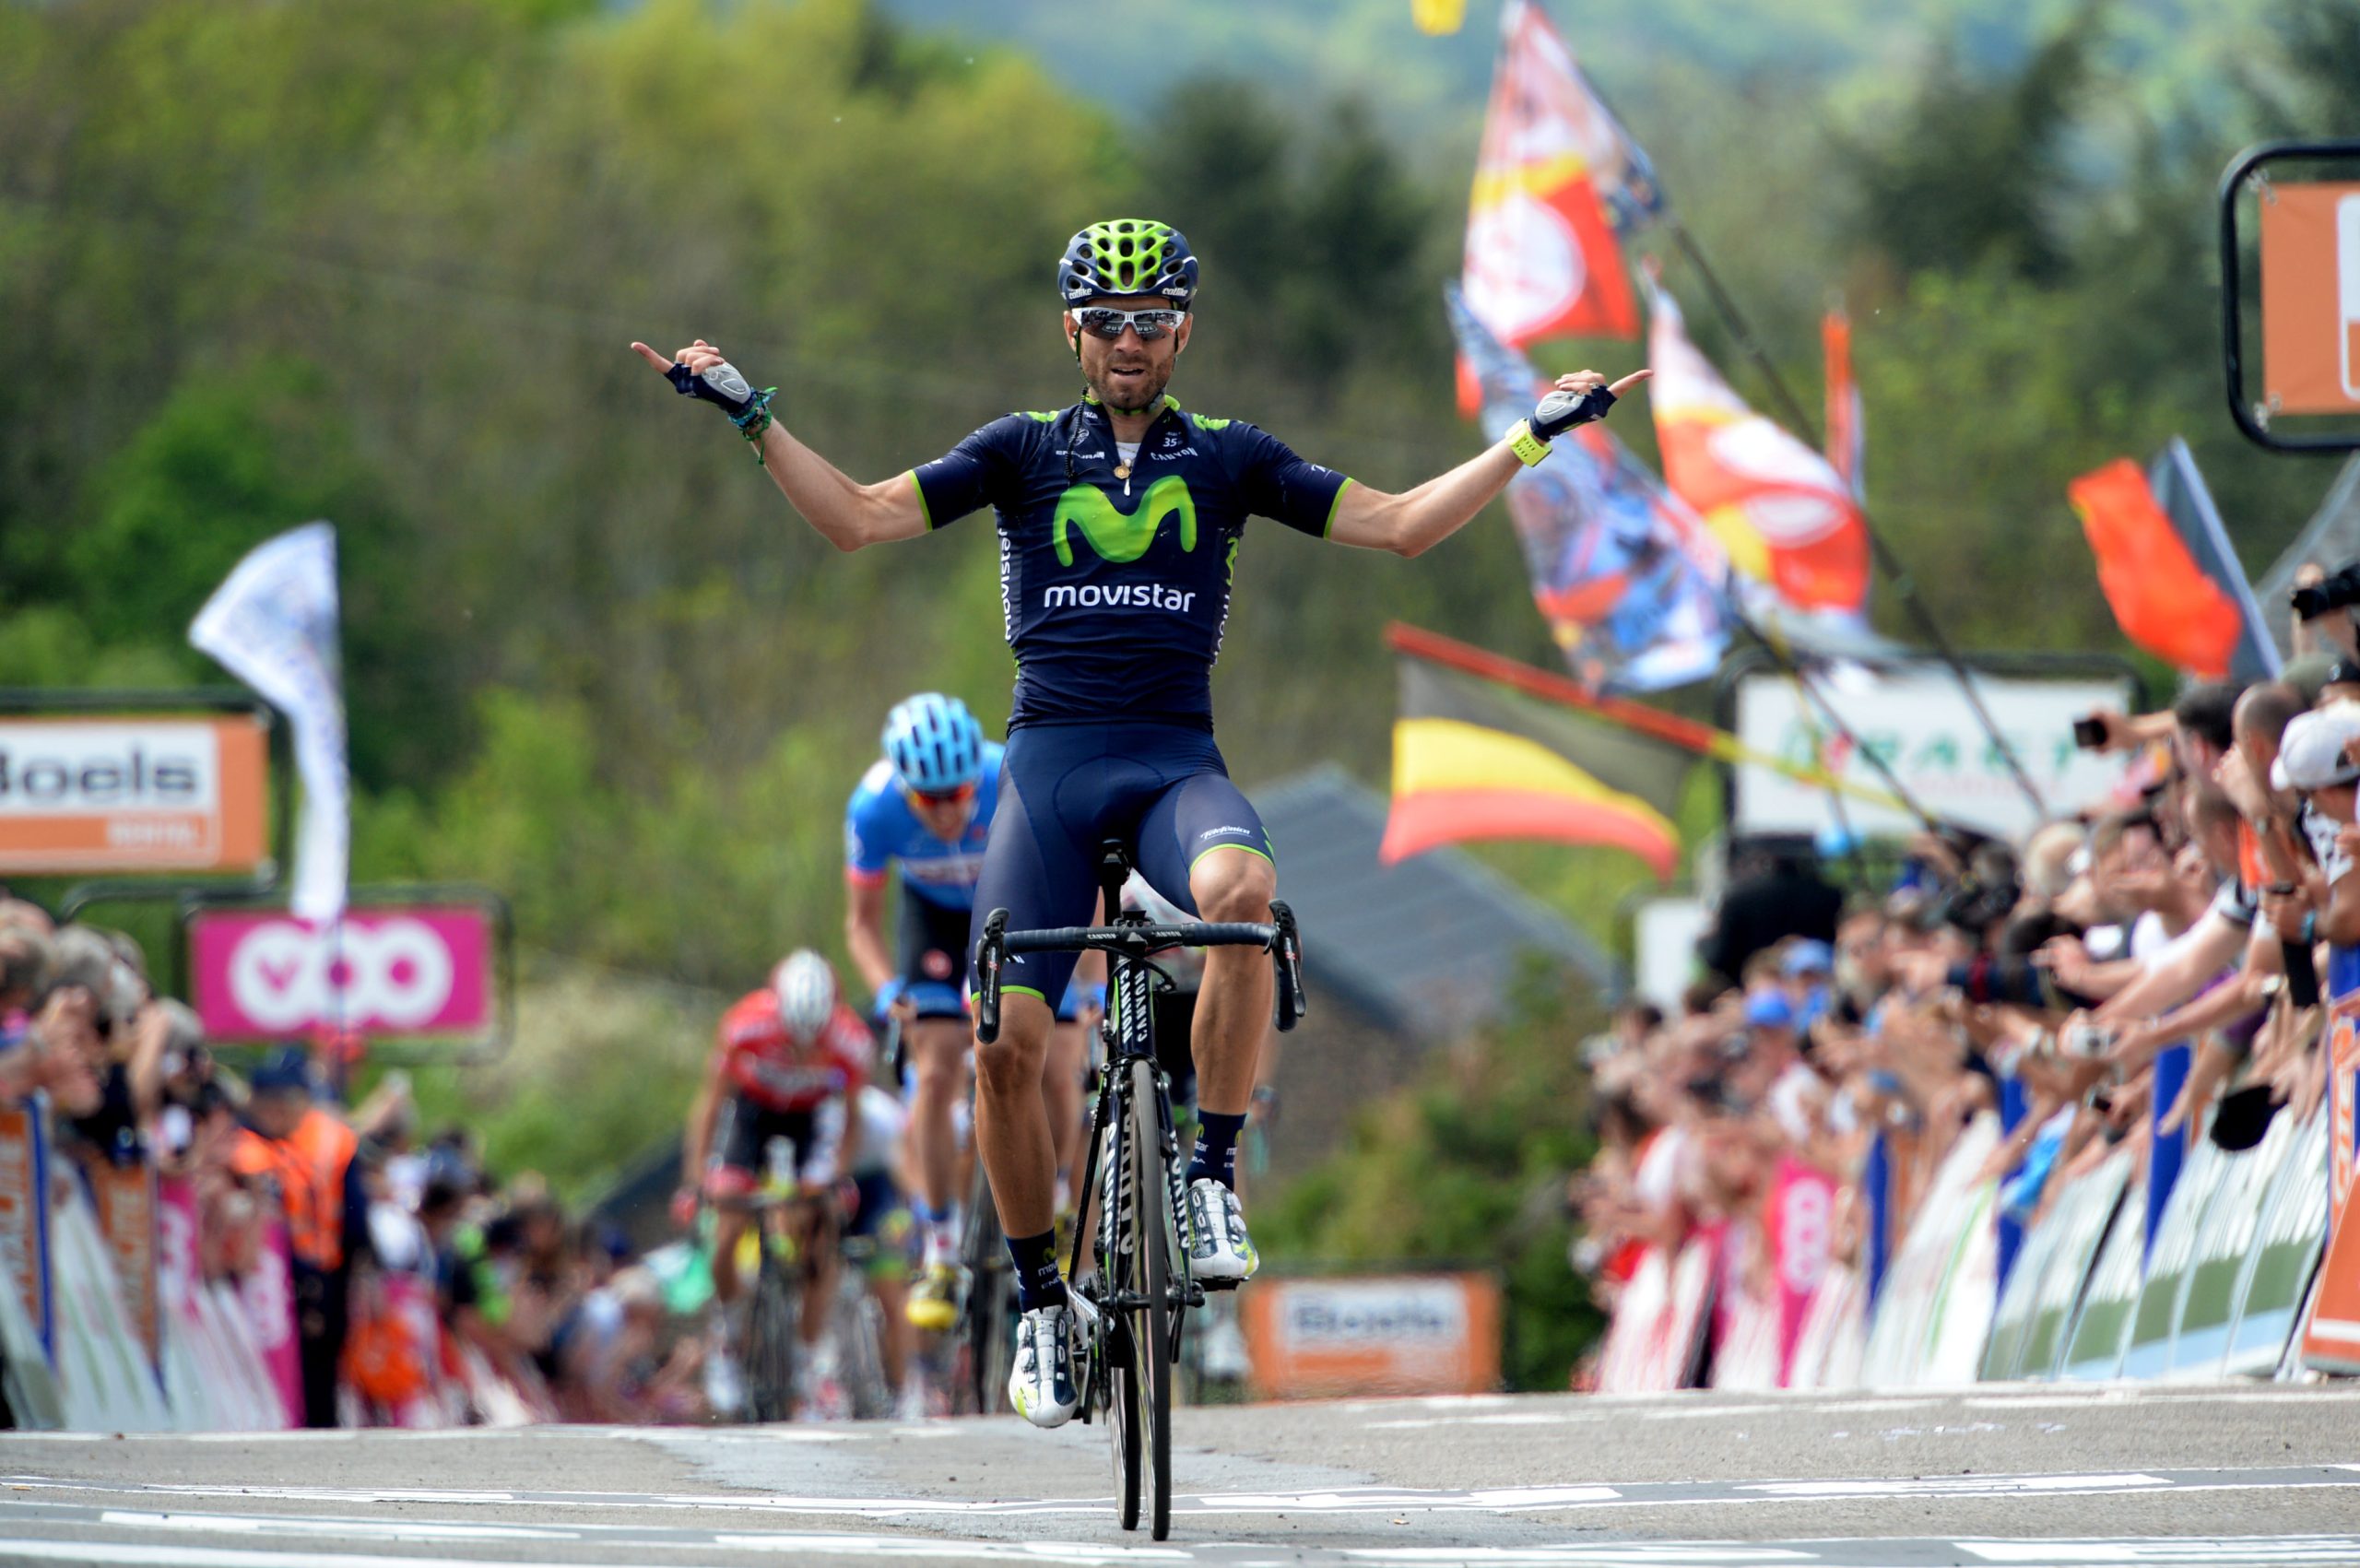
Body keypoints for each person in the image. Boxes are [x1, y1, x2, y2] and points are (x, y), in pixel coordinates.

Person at [634, 216, 1646, 1427]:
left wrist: (1532, 437)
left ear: (1184, 333)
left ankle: (1211, 1174)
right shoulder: (1018, 450)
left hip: (1176, 768)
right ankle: (1045, 1303)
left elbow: (1398, 525)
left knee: (1242, 904)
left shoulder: (1228, 455)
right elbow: (857, 518)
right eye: (1108, 321)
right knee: (1005, 1047)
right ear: (1072, 331)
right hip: (1048, 776)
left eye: (1154, 321)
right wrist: (755, 417)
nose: (1130, 341)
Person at [842, 692, 1093, 1331]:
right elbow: (862, 925)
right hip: (933, 925)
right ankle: (942, 1247)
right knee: (934, 1070)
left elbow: (1081, 882)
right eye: (930, 800)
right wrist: (884, 990)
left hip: (1014, 905)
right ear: (904, 788)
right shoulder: (873, 810)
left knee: (1059, 1064)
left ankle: (1059, 1197)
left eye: (957, 792)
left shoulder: (1009, 773)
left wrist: (1087, 986)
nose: (950, 809)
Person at [676, 949, 871, 1395]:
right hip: (752, 1115)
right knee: (726, 1224)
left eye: (813, 1040)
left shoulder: (852, 1042)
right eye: (793, 1038)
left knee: (820, 1231)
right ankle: (727, 1335)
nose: (802, 1050)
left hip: (811, 1121)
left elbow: (852, 1119)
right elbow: (710, 1103)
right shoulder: (744, 1025)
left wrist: (837, 1178)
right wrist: (694, 1179)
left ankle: (806, 1357)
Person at [230, 1045, 371, 1428]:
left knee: (315, 1379)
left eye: (281, 1099)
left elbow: (356, 1225)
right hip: (265, 1275)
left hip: (315, 1279)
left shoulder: (331, 1141)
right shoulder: (242, 1145)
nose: (273, 1109)